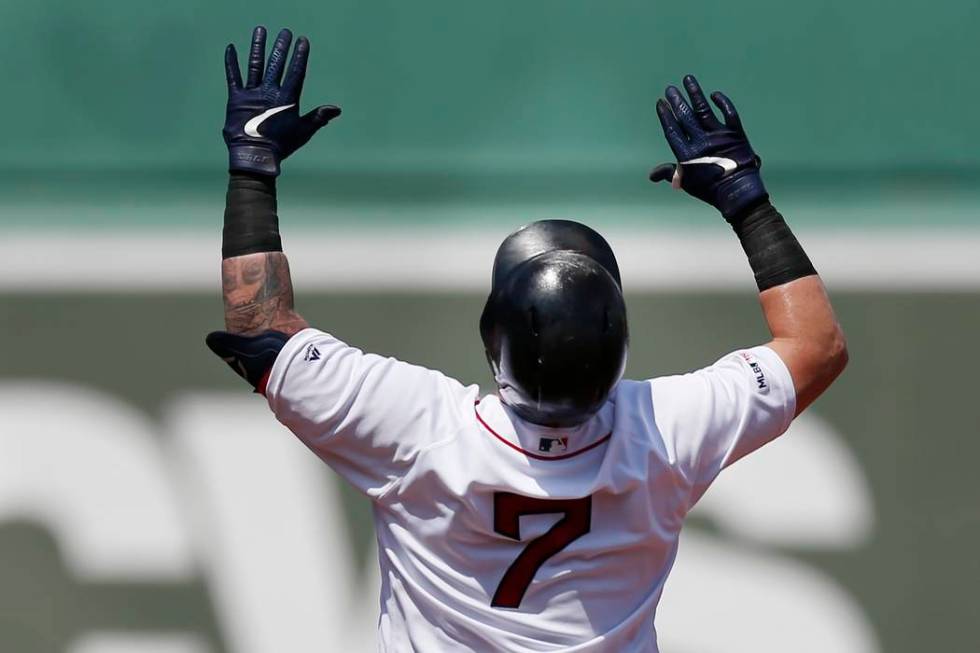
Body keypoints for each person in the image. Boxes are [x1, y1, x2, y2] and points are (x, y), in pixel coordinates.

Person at [207, 26, 848, 653]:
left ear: (494, 341)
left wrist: (252, 166)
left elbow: (258, 322)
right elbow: (816, 346)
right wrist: (746, 200)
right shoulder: (666, 435)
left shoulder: (417, 429)